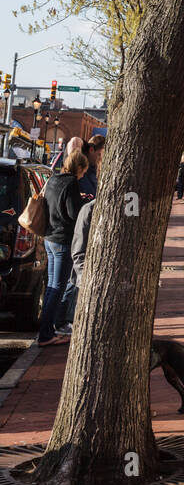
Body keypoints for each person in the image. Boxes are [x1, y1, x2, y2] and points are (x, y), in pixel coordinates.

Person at [37, 148, 88, 347]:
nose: (84, 174)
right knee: (57, 287)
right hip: (62, 240)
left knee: (51, 286)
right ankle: (46, 334)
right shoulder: (72, 183)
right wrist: (84, 201)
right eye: (84, 170)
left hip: (49, 237)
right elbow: (73, 213)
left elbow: (55, 204)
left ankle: (47, 329)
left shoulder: (54, 179)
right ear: (80, 168)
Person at [55, 196, 96, 334]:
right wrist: (84, 277)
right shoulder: (89, 209)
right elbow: (78, 251)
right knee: (64, 286)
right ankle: (62, 321)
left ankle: (62, 321)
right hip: (88, 277)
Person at [79, 135, 105, 200]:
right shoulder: (82, 172)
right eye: (99, 155)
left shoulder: (93, 169)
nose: (101, 159)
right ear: (91, 150)